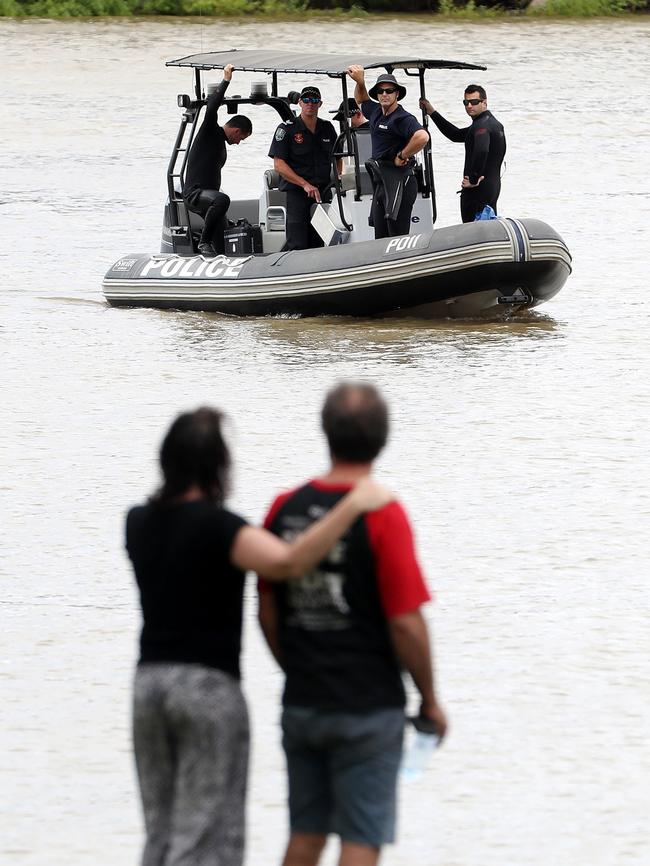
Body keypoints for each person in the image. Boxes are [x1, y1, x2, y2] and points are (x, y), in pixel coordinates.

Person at [126, 406, 392, 866]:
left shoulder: (137, 521)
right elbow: (288, 562)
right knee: (208, 831)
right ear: (218, 466)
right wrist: (352, 505)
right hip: (208, 690)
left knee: (162, 828)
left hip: (148, 686)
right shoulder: (221, 527)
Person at [258, 382, 448, 866]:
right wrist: (429, 697)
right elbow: (405, 622)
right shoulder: (383, 513)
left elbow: (266, 608)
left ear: (326, 432)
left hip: (303, 700)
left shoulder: (284, 508)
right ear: (383, 439)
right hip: (367, 706)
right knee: (360, 839)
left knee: (305, 834)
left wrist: (296, 669)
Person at [347, 67, 429, 239]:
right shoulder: (376, 112)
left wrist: (402, 155)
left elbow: (422, 137)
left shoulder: (402, 118)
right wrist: (360, 82)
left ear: (397, 94)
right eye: (381, 91)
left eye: (389, 91)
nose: (385, 94)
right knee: (380, 235)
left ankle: (403, 263)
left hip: (401, 182)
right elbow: (361, 99)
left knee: (396, 236)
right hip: (382, 182)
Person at [183, 63, 252, 257]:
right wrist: (226, 79)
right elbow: (212, 107)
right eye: (241, 138)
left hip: (208, 196)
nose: (238, 143)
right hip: (194, 195)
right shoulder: (210, 132)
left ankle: (216, 260)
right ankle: (203, 242)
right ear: (236, 130)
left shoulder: (221, 142)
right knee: (222, 199)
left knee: (222, 233)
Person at [420, 85, 506, 223]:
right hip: (492, 188)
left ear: (485, 102)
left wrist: (473, 179)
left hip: (477, 192)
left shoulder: (481, 126)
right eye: (466, 102)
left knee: (474, 233)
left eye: (474, 102)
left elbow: (482, 150)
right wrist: (432, 112)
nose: (469, 105)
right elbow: (455, 135)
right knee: (487, 231)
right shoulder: (492, 124)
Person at [268, 86, 339, 251]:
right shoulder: (286, 129)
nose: (310, 104)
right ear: (300, 102)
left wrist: (339, 176)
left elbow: (337, 157)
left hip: (323, 192)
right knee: (298, 241)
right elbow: (279, 165)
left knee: (321, 240)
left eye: (314, 100)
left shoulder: (327, 128)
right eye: (306, 100)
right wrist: (304, 184)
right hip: (297, 193)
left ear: (320, 104)